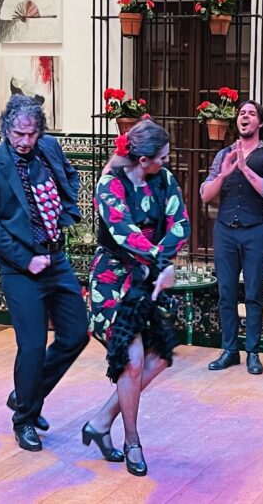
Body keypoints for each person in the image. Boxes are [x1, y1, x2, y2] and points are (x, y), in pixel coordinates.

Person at [0, 94, 89, 451]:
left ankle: (26, 393)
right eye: (18, 133)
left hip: (57, 260)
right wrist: (26, 259)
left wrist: (66, 213)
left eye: (31, 133)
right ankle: (24, 418)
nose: (24, 141)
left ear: (40, 131)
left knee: (76, 334)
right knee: (34, 345)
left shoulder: (49, 148)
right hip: (21, 269)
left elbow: (70, 177)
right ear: (6, 128)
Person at [85, 117, 191, 477]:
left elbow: (181, 223)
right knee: (131, 360)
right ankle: (132, 441)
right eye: (162, 157)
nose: (166, 162)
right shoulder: (109, 184)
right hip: (113, 278)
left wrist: (160, 262)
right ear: (142, 160)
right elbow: (125, 234)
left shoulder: (163, 179)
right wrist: (162, 263)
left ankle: (101, 420)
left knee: (159, 358)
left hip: (145, 277)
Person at [201, 100, 263, 375]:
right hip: (225, 230)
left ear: (260, 123)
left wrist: (245, 168)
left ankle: (253, 353)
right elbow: (205, 194)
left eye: (251, 114)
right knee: (225, 292)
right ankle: (229, 351)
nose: (244, 117)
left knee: (253, 293)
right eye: (241, 114)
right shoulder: (223, 154)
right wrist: (225, 172)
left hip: (255, 231)